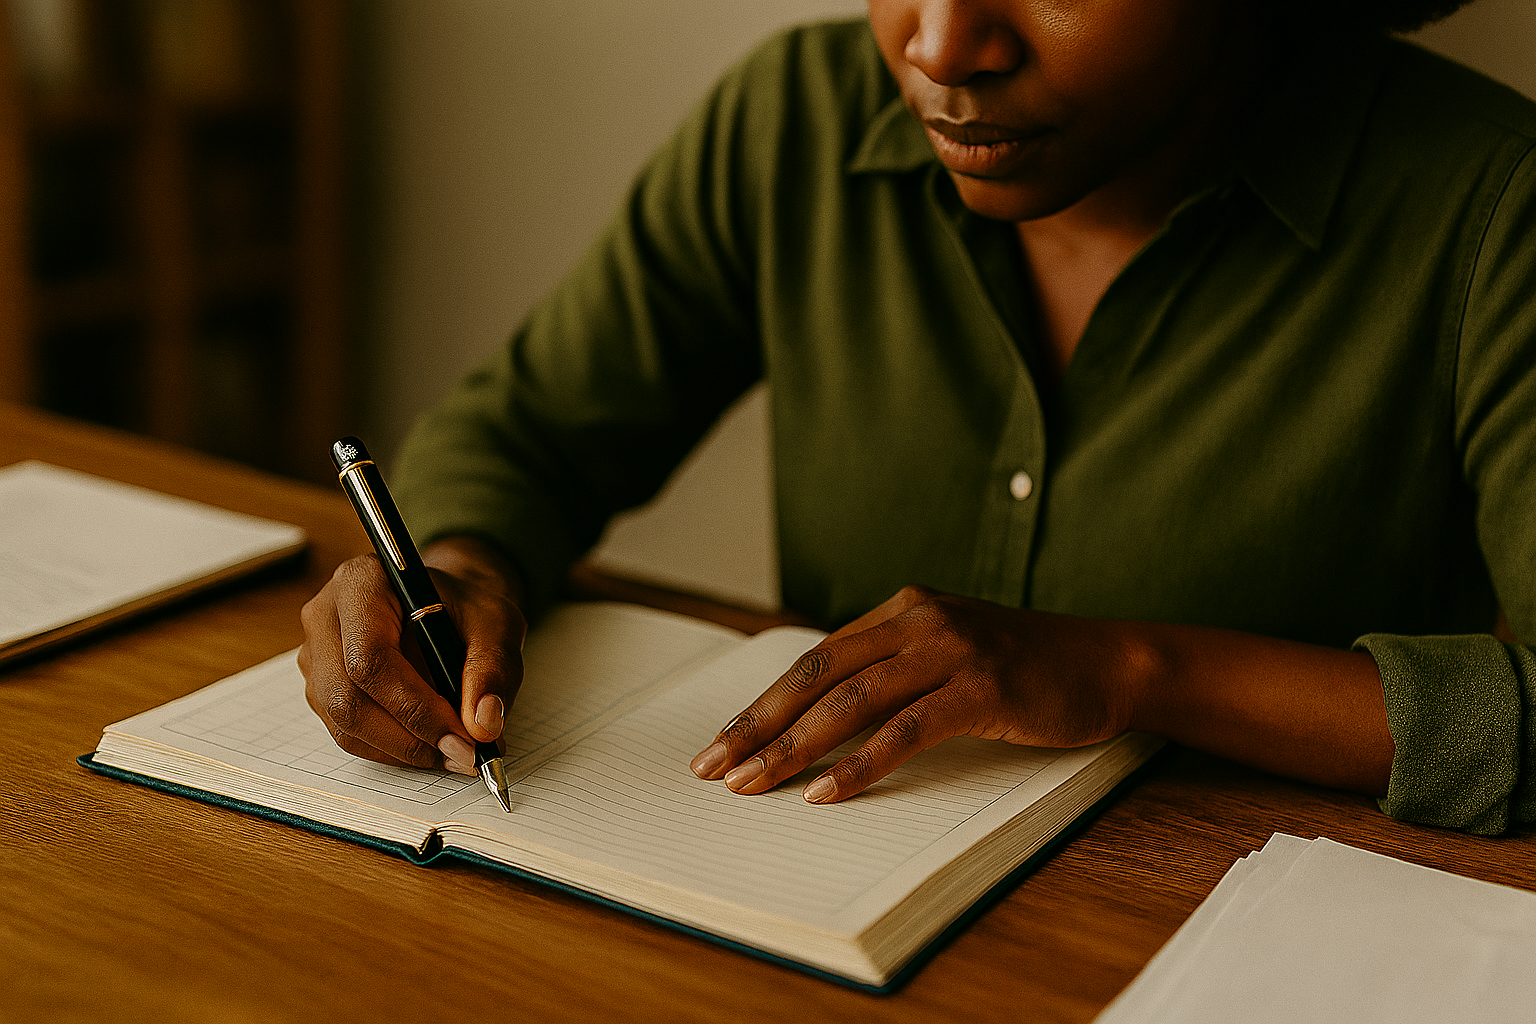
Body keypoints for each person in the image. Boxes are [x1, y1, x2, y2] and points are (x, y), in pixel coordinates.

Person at [299, 0, 1536, 835]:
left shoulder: (1494, 212)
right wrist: (452, 573)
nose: (941, 46)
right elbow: (528, 434)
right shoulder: (796, 119)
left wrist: (1125, 668)